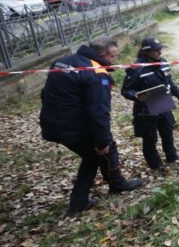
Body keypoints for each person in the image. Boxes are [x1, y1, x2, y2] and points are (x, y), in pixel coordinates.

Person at [39, 38, 143, 217]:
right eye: (113, 56)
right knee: (105, 150)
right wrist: (103, 141)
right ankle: (117, 185)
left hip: (52, 121)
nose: (114, 60)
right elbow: (99, 111)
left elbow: (45, 93)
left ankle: (79, 202)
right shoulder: (97, 73)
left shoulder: (62, 61)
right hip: (72, 125)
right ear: (102, 55)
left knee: (91, 156)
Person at [121, 37, 179, 171]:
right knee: (150, 137)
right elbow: (126, 90)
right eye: (156, 51)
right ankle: (155, 164)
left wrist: (178, 94)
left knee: (167, 131)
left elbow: (169, 81)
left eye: (160, 50)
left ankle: (171, 156)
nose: (159, 53)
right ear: (146, 52)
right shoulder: (136, 68)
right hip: (146, 109)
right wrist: (137, 96)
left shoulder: (164, 63)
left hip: (163, 103)